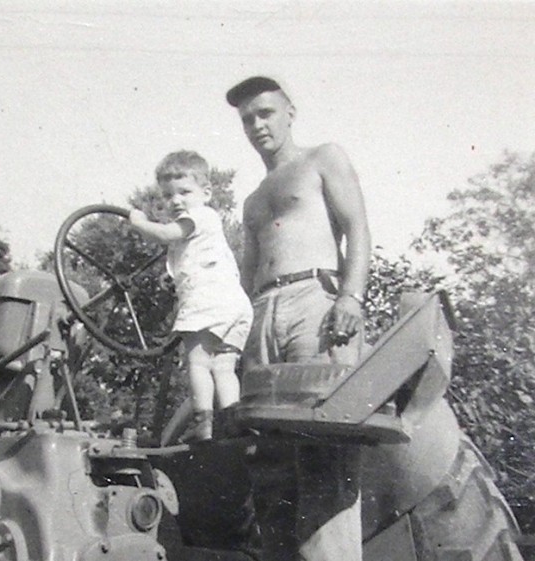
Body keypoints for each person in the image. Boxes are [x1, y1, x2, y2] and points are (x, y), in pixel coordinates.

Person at [226, 76, 371, 560]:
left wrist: (350, 297)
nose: (256, 125)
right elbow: (247, 275)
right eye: (247, 119)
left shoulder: (322, 158)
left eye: (265, 113)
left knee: (322, 445)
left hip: (316, 301)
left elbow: (357, 228)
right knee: (268, 458)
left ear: (290, 111)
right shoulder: (251, 201)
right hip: (262, 311)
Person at [129, 150, 253, 441]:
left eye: (184, 192)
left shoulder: (199, 215)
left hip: (208, 301)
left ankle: (203, 424)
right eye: (168, 196)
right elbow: (189, 259)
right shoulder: (205, 225)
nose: (176, 201)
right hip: (235, 307)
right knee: (223, 367)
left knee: (197, 362)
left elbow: (166, 234)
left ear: (206, 192)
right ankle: (232, 422)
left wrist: (139, 223)